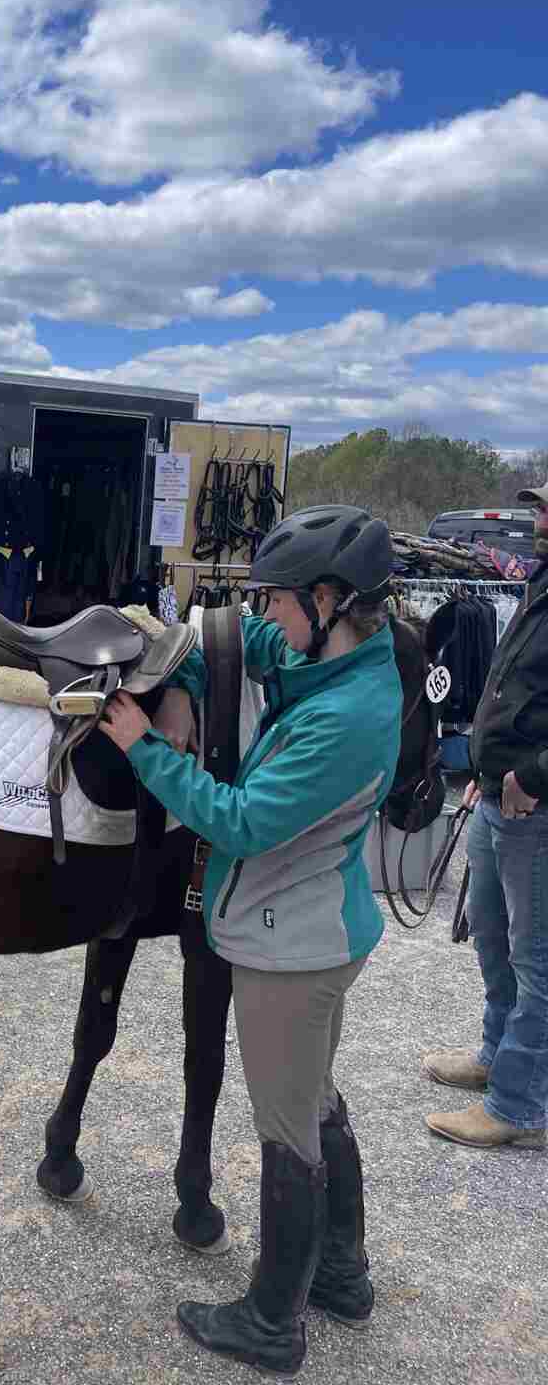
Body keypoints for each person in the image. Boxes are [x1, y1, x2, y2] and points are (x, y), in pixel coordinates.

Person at [100, 505, 401, 1377]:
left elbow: (241, 820)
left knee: (287, 1127)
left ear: (329, 599)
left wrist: (146, 745)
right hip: (317, 927)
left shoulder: (346, 717)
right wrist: (186, 659)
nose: (267, 616)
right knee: (317, 1100)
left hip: (288, 945)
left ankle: (273, 1320)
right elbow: (253, 647)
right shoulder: (340, 665)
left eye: (278, 601)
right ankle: (341, 1277)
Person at [422, 483, 548, 1151]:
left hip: (536, 807)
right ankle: (497, 1057)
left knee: (538, 962)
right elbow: (511, 689)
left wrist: (531, 776)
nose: (537, 520)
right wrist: (479, 766)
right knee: (494, 944)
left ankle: (519, 1106)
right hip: (498, 796)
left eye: (547, 511)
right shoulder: (538, 585)